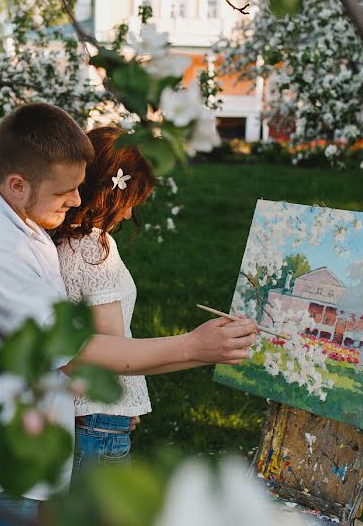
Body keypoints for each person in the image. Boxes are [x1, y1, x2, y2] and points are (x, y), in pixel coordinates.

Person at [0, 103, 257, 525]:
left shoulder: (15, 225)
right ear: (18, 184)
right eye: (65, 192)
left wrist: (203, 350)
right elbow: (75, 353)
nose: (78, 200)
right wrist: (194, 346)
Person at [53, 125, 222, 476]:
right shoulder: (94, 250)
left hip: (80, 414)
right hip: (98, 419)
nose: (130, 215)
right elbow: (111, 352)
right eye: (129, 202)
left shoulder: (63, 243)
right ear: (109, 193)